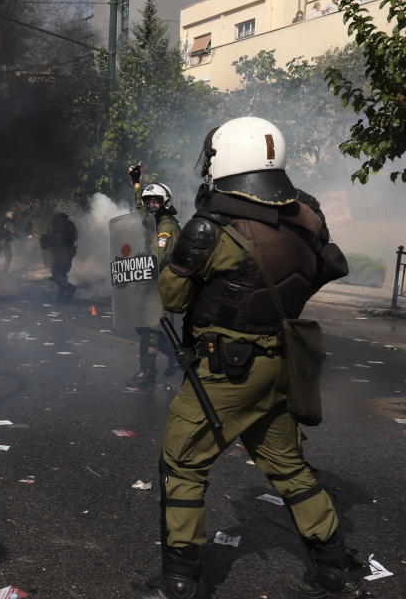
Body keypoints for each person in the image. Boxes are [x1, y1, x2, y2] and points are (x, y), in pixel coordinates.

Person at [131, 117, 364, 599]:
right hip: (281, 364)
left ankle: (180, 579)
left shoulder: (211, 229)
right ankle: (333, 563)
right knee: (288, 464)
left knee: (182, 462)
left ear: (227, 158)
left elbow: (172, 298)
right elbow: (324, 268)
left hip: (226, 370)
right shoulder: (309, 219)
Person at [129, 166, 182, 385]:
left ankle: (149, 371)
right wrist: (136, 184)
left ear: (165, 203)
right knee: (148, 327)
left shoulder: (166, 227)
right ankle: (176, 357)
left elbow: (156, 259)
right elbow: (141, 210)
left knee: (151, 330)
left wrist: (138, 261)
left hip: (161, 286)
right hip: (150, 285)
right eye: (148, 201)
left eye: (155, 202)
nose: (150, 205)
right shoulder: (155, 221)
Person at [40, 212, 77, 301]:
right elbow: (75, 237)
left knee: (55, 274)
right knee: (62, 273)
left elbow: (56, 238)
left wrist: (46, 241)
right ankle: (61, 295)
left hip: (60, 251)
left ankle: (69, 287)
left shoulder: (58, 225)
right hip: (70, 251)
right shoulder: (70, 224)